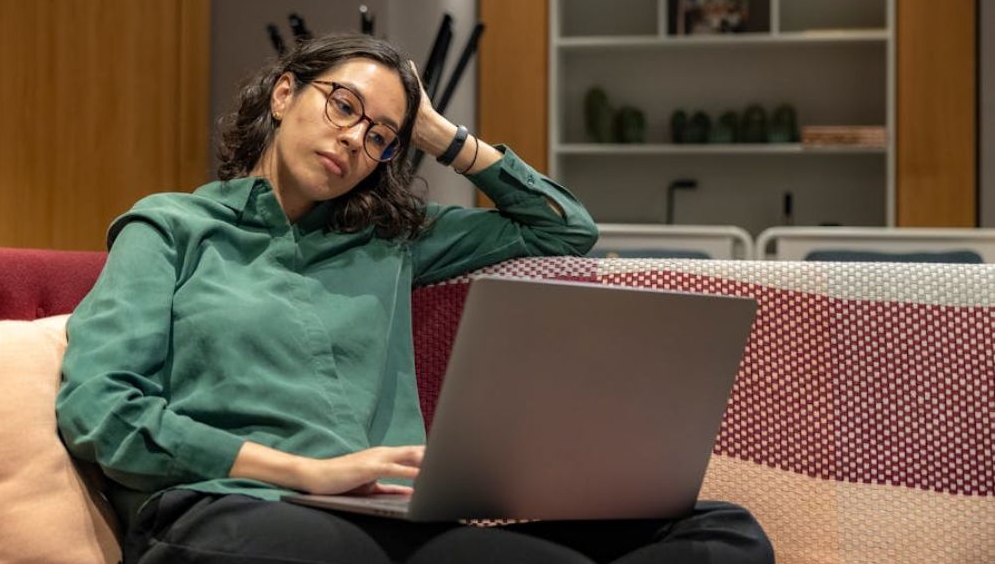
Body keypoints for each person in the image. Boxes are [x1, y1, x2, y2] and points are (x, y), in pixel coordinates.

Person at [56, 34, 773, 564]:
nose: (353, 138)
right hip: (230, 511)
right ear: (283, 94)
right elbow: (99, 409)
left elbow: (563, 228)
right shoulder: (172, 226)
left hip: (390, 518)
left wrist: (438, 133)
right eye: (343, 105)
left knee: (720, 534)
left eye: (379, 136)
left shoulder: (389, 239)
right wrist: (307, 471)